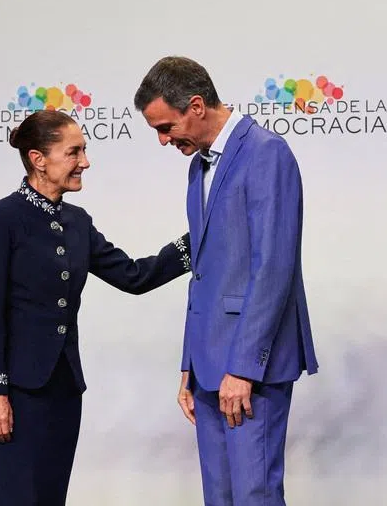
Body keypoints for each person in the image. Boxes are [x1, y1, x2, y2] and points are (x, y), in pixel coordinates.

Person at [0, 109, 191, 506]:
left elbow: (134, 276)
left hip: (65, 389)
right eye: (74, 153)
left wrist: (195, 242)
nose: (85, 162)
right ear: (39, 160)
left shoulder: (77, 221)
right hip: (17, 394)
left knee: (52, 498)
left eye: (84, 151)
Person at [134, 56, 318, 506]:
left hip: (250, 367)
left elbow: (274, 267)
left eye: (165, 126)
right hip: (208, 366)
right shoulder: (198, 167)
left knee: (254, 495)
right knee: (219, 497)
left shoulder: (266, 153)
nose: (162, 140)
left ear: (196, 106)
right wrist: (189, 365)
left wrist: (243, 368)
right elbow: (203, 275)